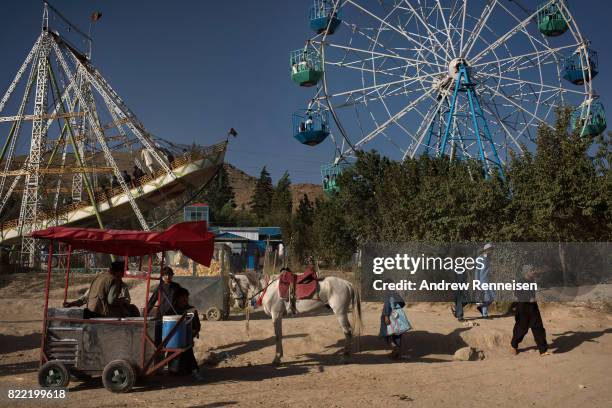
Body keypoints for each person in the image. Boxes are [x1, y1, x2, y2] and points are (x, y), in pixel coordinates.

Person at [511, 264, 550, 356]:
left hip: (533, 308)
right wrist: (528, 299)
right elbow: (517, 294)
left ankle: (543, 350)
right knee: (521, 329)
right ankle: (514, 345)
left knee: (538, 328)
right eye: (532, 270)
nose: (533, 272)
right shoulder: (520, 282)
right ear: (526, 272)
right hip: (523, 308)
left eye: (533, 270)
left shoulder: (532, 280)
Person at [171, 287, 203, 380]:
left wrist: (194, 331)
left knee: (187, 348)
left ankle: (194, 370)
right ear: (177, 298)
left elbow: (197, 325)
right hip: (173, 338)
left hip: (187, 338)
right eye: (182, 297)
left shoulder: (192, 310)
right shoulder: (172, 310)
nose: (185, 299)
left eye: (186, 297)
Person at [64, 278, 139, 317]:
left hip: (112, 315)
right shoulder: (96, 287)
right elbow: (83, 299)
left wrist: (117, 301)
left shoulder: (122, 285)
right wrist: (71, 304)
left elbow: (127, 301)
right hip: (97, 313)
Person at [379, 281, 408, 359]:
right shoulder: (396, 294)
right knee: (397, 333)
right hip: (398, 315)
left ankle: (395, 351)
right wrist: (397, 307)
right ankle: (396, 352)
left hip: (390, 316)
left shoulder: (388, 294)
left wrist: (386, 316)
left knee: (387, 333)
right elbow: (403, 304)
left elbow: (387, 306)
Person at [475, 243, 495, 318]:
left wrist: (492, 272)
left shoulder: (489, 258)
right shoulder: (480, 258)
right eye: (491, 249)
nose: (492, 251)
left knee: (493, 296)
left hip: (490, 280)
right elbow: (477, 271)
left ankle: (482, 307)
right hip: (482, 281)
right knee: (487, 297)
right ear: (487, 250)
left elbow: (488, 269)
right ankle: (485, 314)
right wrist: (477, 282)